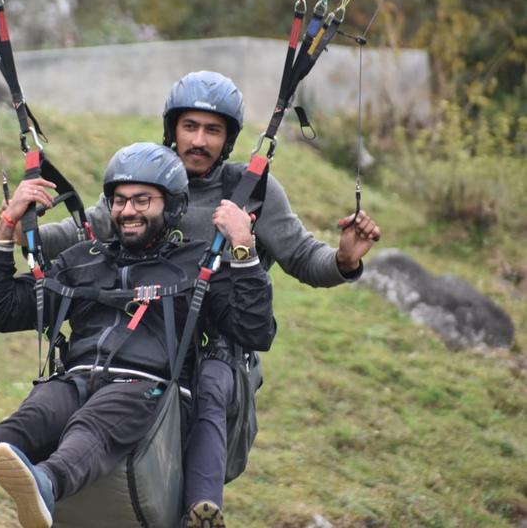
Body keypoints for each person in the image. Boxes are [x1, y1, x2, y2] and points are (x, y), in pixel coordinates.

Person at [33, 71, 382, 527]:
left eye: (212, 130)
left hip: (214, 342)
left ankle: (200, 510)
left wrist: (344, 259)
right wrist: (23, 230)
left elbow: (301, 255)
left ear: (228, 138)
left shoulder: (251, 193)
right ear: (172, 129)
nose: (199, 141)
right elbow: (86, 233)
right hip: (144, 337)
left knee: (213, 382)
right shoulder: (145, 179)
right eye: (190, 127)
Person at [0, 142, 276, 527]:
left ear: (174, 205)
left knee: (94, 420)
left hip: (150, 389)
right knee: (33, 417)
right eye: (119, 200)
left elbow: (254, 329)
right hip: (77, 377)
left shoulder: (198, 264)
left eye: (142, 200)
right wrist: (6, 226)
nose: (128, 211)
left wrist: (243, 247)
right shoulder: (84, 259)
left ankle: (46, 483)